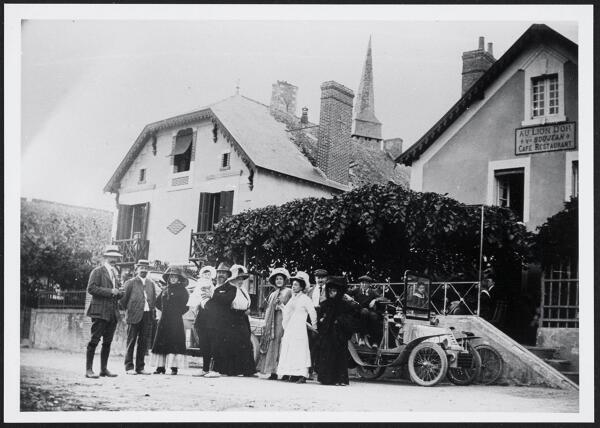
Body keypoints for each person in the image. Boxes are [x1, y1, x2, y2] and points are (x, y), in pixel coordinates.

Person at [206, 264, 256, 377]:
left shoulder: (243, 290)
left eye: (242, 279)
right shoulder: (226, 289)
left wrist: (247, 309)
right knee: (231, 343)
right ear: (232, 278)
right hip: (231, 318)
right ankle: (230, 369)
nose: (240, 281)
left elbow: (246, 304)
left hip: (242, 318)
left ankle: (246, 369)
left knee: (245, 343)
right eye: (238, 278)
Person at [84, 244, 124, 378]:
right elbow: (91, 288)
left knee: (107, 342)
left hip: (112, 313)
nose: (114, 259)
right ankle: (89, 370)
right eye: (112, 256)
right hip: (99, 312)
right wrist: (110, 291)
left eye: (116, 257)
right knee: (94, 340)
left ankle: (103, 369)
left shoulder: (116, 273)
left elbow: (116, 292)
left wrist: (120, 293)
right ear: (106, 257)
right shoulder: (97, 271)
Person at [276, 272, 317, 384]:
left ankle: (302, 375)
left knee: (300, 350)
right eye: (293, 285)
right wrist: (282, 307)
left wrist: (314, 325)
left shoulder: (305, 299)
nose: (294, 287)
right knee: (290, 349)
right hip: (290, 328)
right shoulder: (292, 299)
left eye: (296, 285)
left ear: (302, 287)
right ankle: (291, 373)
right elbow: (288, 312)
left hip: (299, 328)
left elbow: (312, 312)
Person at [316, 276, 356, 386]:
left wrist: (339, 321)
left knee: (340, 355)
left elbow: (350, 320)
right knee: (327, 354)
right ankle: (326, 379)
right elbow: (320, 319)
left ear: (339, 292)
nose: (331, 293)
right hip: (327, 334)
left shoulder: (345, 305)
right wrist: (322, 320)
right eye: (329, 291)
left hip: (339, 335)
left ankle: (341, 379)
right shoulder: (325, 304)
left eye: (334, 291)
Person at [120, 259, 157, 375]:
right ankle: (129, 367)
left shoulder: (151, 284)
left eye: (146, 268)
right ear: (137, 269)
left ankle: (140, 367)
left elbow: (153, 299)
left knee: (143, 342)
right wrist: (130, 311)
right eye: (141, 267)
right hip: (133, 316)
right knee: (131, 341)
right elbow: (122, 301)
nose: (144, 270)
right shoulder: (130, 283)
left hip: (147, 316)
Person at [151, 266, 190, 375]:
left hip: (175, 321)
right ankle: (160, 367)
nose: (173, 279)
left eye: (175, 277)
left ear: (179, 278)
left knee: (174, 342)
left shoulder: (183, 291)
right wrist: (164, 311)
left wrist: (177, 313)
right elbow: (157, 303)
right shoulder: (165, 289)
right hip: (164, 320)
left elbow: (186, 305)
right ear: (168, 278)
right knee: (161, 342)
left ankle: (174, 367)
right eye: (171, 277)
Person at [256, 267, 292, 379]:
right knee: (272, 344)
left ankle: (285, 372)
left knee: (283, 344)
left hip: (283, 320)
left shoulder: (289, 292)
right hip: (273, 321)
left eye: (281, 278)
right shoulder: (273, 293)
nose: (279, 281)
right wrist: (266, 322)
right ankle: (273, 371)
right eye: (277, 279)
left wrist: (281, 305)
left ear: (285, 280)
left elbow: (291, 307)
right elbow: (267, 309)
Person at [189, 265, 217, 377]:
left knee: (210, 343)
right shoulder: (198, 285)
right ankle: (205, 368)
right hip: (201, 316)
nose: (206, 275)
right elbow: (195, 299)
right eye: (205, 273)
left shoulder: (212, 287)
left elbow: (213, 300)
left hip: (210, 317)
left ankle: (211, 368)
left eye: (209, 274)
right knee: (203, 343)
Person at [307, 268, 328, 377]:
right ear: (315, 278)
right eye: (318, 277)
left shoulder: (329, 290)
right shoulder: (310, 290)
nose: (320, 280)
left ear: (326, 278)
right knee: (311, 345)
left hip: (324, 318)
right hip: (312, 317)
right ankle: (310, 370)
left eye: (322, 277)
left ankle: (320, 371)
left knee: (322, 345)